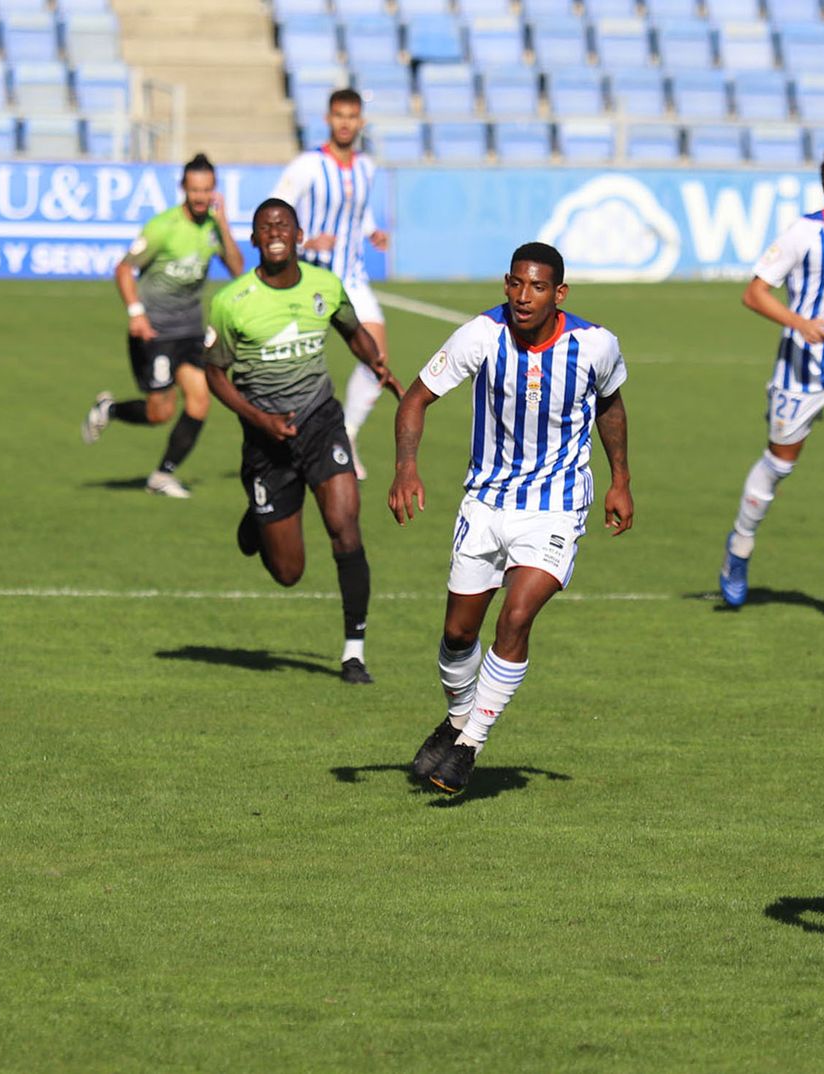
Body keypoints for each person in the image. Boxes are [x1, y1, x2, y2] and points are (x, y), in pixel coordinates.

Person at [389, 242, 632, 795]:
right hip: (486, 502)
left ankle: (469, 745)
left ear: (559, 293)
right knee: (457, 635)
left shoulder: (595, 345)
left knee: (517, 616)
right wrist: (406, 469)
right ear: (506, 284)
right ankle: (454, 720)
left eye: (538, 287)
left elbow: (610, 406)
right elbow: (414, 399)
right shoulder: (481, 335)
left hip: (556, 505)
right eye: (517, 285)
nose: (525, 298)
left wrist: (621, 480)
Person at [203, 198, 400, 683]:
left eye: (283, 224)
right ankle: (257, 518)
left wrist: (376, 363)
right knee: (289, 573)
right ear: (254, 239)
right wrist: (257, 418)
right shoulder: (232, 303)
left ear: (298, 234)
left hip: (320, 424)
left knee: (344, 524)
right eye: (265, 226)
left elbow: (353, 331)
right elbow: (214, 374)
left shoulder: (324, 286)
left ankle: (354, 651)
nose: (274, 231)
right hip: (266, 441)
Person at [718, 143, 824, 608]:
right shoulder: (803, 234)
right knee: (780, 463)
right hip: (802, 363)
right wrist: (801, 323)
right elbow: (755, 293)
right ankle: (739, 547)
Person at [81, 153, 244, 498]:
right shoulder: (162, 227)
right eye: (194, 189)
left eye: (207, 190)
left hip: (190, 331)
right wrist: (136, 312)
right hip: (154, 332)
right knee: (160, 413)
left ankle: (161, 475)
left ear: (215, 190)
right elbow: (124, 269)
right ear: (183, 188)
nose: (200, 197)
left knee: (200, 400)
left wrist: (225, 225)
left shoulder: (214, 227)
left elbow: (236, 268)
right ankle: (109, 409)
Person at [269, 88, 390, 480]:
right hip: (311, 278)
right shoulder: (307, 165)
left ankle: (347, 436)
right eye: (338, 115)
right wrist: (304, 238)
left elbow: (359, 210)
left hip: (351, 276)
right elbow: (274, 211)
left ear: (361, 122)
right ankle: (286, 443)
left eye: (351, 116)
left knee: (377, 359)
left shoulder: (366, 167)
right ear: (327, 118)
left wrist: (372, 231)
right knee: (295, 365)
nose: (344, 122)